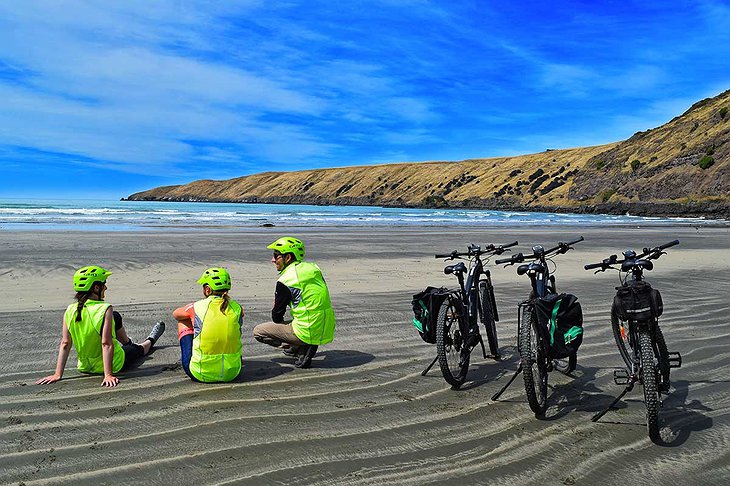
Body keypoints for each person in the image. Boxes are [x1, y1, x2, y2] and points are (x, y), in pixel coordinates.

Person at [37, 265, 165, 388]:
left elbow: (65, 343)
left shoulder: (70, 310)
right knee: (139, 350)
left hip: (85, 367)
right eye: (104, 284)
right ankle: (149, 340)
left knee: (115, 317)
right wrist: (108, 374)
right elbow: (106, 343)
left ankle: (128, 342)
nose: (106, 287)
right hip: (114, 364)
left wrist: (57, 374)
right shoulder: (105, 308)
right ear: (96, 288)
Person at [253, 237, 336, 368]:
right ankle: (302, 343)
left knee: (258, 332)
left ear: (288, 258)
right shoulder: (314, 268)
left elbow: (277, 316)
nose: (273, 260)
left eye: (276, 256)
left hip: (307, 329)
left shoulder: (286, 280)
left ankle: (300, 346)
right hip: (326, 327)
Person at [172, 267, 243, 382]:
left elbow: (176, 314)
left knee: (183, 321)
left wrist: (194, 322)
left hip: (200, 373)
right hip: (233, 372)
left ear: (207, 289)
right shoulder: (238, 308)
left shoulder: (197, 307)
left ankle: (195, 360)